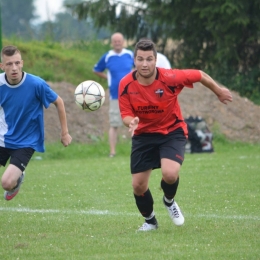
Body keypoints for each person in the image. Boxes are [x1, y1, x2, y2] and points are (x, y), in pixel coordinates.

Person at [118, 39, 232, 231]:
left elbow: (200, 75)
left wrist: (218, 91)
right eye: (140, 59)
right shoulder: (126, 84)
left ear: (156, 60)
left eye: (149, 59)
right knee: (138, 186)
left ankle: (169, 201)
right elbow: (125, 115)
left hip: (172, 131)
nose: (144, 64)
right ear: (134, 61)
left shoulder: (170, 77)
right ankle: (150, 222)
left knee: (170, 174)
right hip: (143, 135)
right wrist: (132, 122)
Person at [0, 45, 72, 201]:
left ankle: (16, 179)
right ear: (2, 66)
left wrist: (64, 132)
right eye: (9, 64)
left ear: (22, 63)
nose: (14, 68)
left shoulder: (36, 84)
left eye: (17, 63)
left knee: (6, 183)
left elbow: (59, 102)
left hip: (26, 141)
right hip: (2, 139)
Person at [93, 32, 134, 157]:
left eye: (119, 41)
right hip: (115, 95)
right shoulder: (107, 56)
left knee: (135, 123)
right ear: (112, 43)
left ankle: (136, 151)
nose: (117, 43)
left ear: (123, 42)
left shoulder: (130, 54)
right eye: (115, 41)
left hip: (132, 95)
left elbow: (139, 67)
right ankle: (112, 152)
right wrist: (108, 78)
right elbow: (96, 70)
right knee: (114, 124)